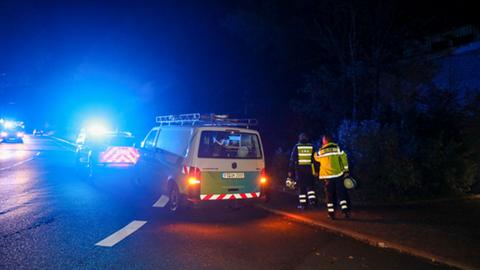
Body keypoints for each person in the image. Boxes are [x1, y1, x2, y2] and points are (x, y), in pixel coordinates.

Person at [314, 134, 350, 219]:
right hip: (338, 175)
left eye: (323, 140)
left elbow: (316, 157)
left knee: (329, 195)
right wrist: (346, 170)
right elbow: (344, 157)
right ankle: (345, 212)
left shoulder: (321, 150)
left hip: (327, 177)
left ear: (325, 141)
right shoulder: (338, 148)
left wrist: (320, 149)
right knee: (341, 194)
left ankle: (331, 214)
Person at [288, 133, 317, 209]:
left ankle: (303, 205)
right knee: (311, 186)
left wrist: (290, 171)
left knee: (302, 187)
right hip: (310, 170)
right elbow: (315, 160)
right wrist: (316, 170)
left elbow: (292, 159)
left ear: (300, 138)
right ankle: (312, 201)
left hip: (300, 170)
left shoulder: (297, 146)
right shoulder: (312, 146)